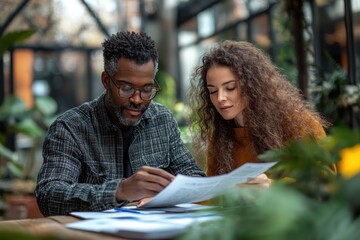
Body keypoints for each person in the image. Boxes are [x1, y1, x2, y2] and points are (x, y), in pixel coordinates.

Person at [35, 31, 205, 216]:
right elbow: (49, 196)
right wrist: (119, 191)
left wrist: (164, 196)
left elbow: (193, 178)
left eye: (147, 90)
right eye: (126, 88)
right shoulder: (71, 128)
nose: (137, 100)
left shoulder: (161, 119)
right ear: (106, 81)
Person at [188, 40, 331, 186]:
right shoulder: (220, 134)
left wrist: (271, 186)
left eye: (230, 88)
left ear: (252, 85)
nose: (220, 98)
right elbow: (213, 187)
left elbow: (326, 181)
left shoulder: (298, 124)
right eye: (213, 91)